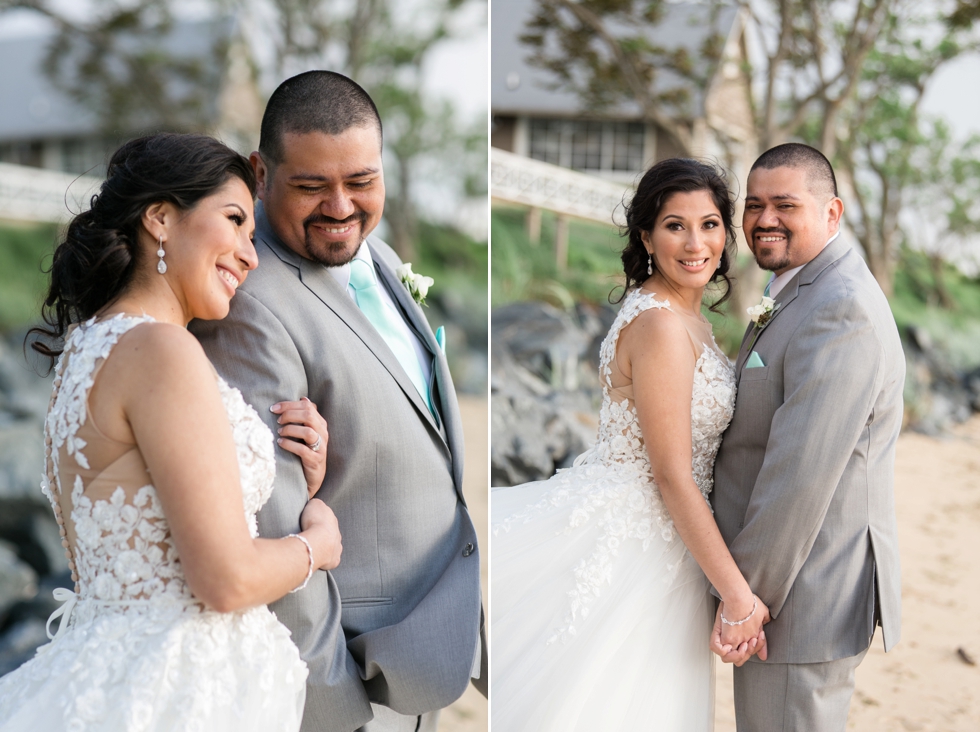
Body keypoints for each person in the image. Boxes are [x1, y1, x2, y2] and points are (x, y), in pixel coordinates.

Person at [0, 132, 344, 731]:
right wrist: (315, 547)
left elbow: (148, 514)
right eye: (235, 220)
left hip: (106, 670)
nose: (250, 251)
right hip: (177, 688)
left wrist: (293, 472)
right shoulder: (161, 349)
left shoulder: (88, 349)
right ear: (160, 218)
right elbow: (225, 578)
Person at [190, 70, 485, 732]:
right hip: (349, 676)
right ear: (261, 173)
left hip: (421, 650)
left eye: (361, 182)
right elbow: (272, 521)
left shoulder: (372, 254)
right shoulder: (249, 304)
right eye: (312, 186)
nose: (342, 207)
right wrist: (334, 705)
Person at [491, 158, 770, 731]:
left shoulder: (682, 317)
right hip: (637, 542)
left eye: (710, 224)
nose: (696, 243)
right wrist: (737, 596)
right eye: (675, 225)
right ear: (646, 236)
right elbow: (671, 475)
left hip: (667, 546)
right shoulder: (662, 327)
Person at [711, 143, 904, 730]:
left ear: (832, 213)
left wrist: (748, 600)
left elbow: (800, 472)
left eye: (784, 205)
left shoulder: (840, 308)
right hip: (790, 587)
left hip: (802, 591)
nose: (764, 219)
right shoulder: (801, 287)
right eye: (754, 205)